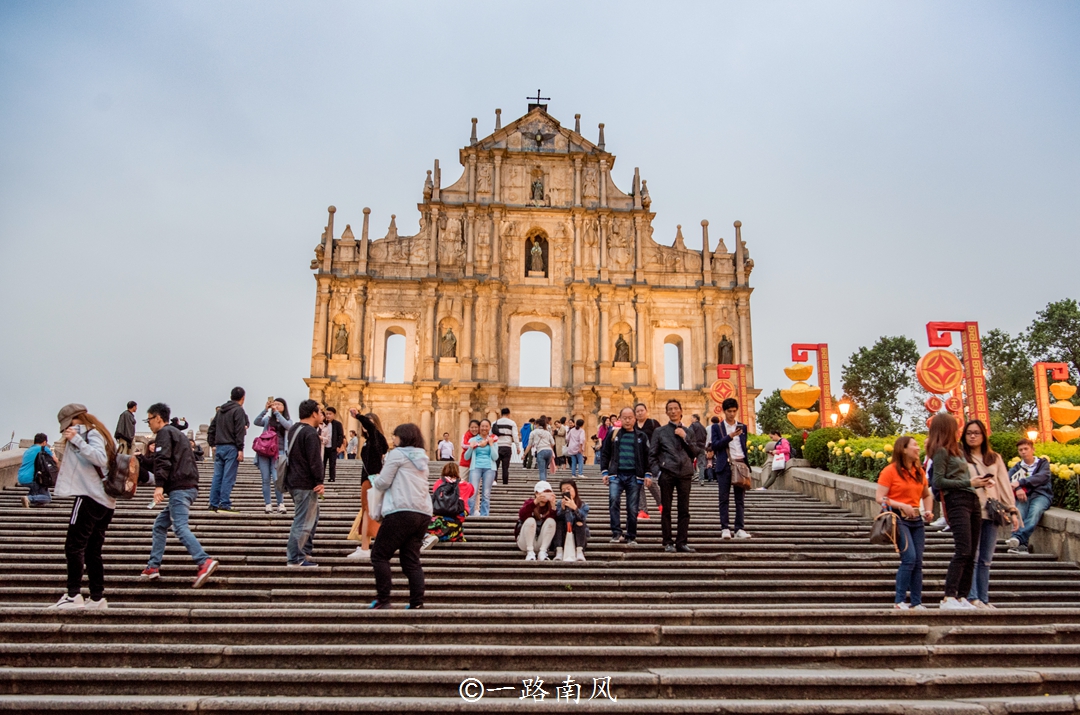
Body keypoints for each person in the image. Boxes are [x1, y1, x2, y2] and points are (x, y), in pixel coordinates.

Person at [139, 403, 219, 588]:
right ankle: (153, 566)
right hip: (187, 485)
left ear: (158, 418)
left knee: (180, 527)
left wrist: (159, 486)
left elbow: (163, 460)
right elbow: (166, 460)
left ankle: (203, 560)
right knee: (160, 525)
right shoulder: (178, 434)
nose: (149, 424)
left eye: (149, 419)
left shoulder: (164, 433)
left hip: (180, 488)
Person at [51, 404, 116, 609]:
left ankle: (73, 594)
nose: (66, 430)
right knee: (92, 550)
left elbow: (100, 459)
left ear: (75, 420)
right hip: (104, 501)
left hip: (89, 497)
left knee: (73, 546)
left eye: (67, 425)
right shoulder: (101, 433)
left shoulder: (89, 434)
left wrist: (76, 440)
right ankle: (96, 597)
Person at [929, 412, 993, 611]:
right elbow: (937, 481)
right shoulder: (941, 452)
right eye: (955, 426)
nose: (958, 430)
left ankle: (963, 595)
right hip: (956, 500)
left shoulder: (957, 451)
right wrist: (968, 482)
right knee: (963, 549)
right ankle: (949, 595)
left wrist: (978, 483)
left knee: (972, 552)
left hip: (972, 498)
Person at [368, 423, 433, 609]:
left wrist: (375, 479)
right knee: (411, 560)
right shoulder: (422, 457)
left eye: (394, 435)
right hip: (422, 513)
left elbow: (383, 482)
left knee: (379, 555)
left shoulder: (397, 454)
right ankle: (416, 603)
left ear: (402, 437)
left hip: (401, 509)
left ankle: (383, 599)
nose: (393, 439)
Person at [962, 419, 1020, 609]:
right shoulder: (961, 457)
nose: (972, 436)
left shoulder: (994, 458)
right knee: (973, 556)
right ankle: (972, 597)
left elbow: (1004, 483)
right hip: (971, 510)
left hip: (992, 510)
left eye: (976, 433)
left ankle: (984, 598)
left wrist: (1011, 509)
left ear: (983, 435)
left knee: (986, 558)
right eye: (969, 433)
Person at [875, 436, 934, 609]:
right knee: (909, 558)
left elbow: (926, 495)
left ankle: (916, 601)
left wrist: (928, 510)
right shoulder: (890, 471)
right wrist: (901, 505)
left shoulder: (919, 471)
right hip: (899, 519)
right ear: (903, 449)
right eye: (914, 445)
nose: (918, 448)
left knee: (918, 562)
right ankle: (899, 600)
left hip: (917, 520)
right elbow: (880, 497)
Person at [650, 399, 705, 553]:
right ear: (666, 412)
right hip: (667, 473)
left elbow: (695, 452)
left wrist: (685, 437)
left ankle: (682, 542)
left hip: (685, 473)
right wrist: (658, 472)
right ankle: (668, 541)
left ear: (681, 411)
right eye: (670, 409)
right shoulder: (659, 432)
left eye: (676, 408)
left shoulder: (689, 431)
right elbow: (652, 454)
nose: (673, 411)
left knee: (684, 510)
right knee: (666, 509)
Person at [599, 406, 651, 546]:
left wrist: (648, 473)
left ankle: (631, 536)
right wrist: (605, 471)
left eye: (630, 418)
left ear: (635, 419)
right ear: (620, 419)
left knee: (632, 507)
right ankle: (616, 533)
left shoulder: (641, 436)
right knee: (613, 501)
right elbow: (605, 453)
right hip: (616, 475)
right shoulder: (613, 434)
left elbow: (648, 456)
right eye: (625, 418)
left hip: (634, 476)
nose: (627, 421)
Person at [284, 399, 324, 567]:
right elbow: (314, 460)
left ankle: (305, 550)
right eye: (320, 412)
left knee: (312, 516)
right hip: (305, 482)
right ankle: (295, 558)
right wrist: (319, 481)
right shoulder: (310, 433)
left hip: (294, 480)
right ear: (313, 414)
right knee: (303, 521)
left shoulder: (294, 429)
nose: (322, 415)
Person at [345, 410, 389, 560]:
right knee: (367, 511)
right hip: (368, 479)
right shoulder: (371, 440)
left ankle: (365, 548)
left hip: (370, 480)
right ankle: (365, 545)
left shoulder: (376, 438)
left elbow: (371, 428)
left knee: (368, 511)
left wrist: (358, 416)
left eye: (369, 422)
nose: (365, 425)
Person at [712, 398, 752, 539]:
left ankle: (739, 528)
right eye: (729, 411)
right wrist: (729, 437)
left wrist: (747, 464)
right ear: (724, 411)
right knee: (724, 498)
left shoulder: (742, 427)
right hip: (725, 465)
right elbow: (715, 446)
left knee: (740, 499)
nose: (732, 414)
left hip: (740, 464)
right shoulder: (717, 427)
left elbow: (743, 446)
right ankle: (725, 528)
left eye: (734, 411)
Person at [207, 387, 248, 514]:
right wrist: (240, 448)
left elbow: (211, 429)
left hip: (219, 447)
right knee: (228, 476)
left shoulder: (220, 411)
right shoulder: (238, 410)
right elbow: (239, 430)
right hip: (231, 447)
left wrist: (212, 443)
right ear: (243, 398)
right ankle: (224, 503)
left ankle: (213, 503)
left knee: (217, 476)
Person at [1007, 438, 1052, 555]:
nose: (1023, 452)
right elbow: (1008, 480)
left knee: (1034, 512)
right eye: (1020, 450)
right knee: (1020, 513)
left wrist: (1020, 483)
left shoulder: (1043, 464)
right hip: (1024, 496)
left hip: (1041, 495)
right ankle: (1020, 547)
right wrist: (1018, 488)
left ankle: (1017, 539)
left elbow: (1042, 477)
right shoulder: (1017, 467)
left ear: (1033, 449)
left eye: (1026, 449)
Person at [423, 462, 475, 549]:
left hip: (441, 510)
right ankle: (456, 536)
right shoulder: (467, 485)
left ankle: (431, 536)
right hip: (459, 512)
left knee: (435, 523)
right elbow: (471, 493)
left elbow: (435, 495)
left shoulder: (439, 483)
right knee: (454, 524)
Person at [253, 398, 292, 514]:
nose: (277, 406)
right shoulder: (268, 420)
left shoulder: (288, 420)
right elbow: (256, 421)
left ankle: (280, 503)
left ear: (284, 407)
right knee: (265, 479)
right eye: (275, 404)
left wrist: (277, 413)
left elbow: (288, 426)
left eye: (279, 404)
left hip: (279, 452)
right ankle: (268, 504)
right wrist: (265, 410)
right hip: (264, 452)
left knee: (277, 479)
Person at [466, 419, 500, 517]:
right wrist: (471, 448)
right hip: (475, 467)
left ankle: (484, 515)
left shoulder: (493, 440)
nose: (484, 428)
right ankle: (470, 514)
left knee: (486, 493)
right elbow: (466, 457)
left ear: (489, 428)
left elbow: (495, 457)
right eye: (482, 426)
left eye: (486, 426)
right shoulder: (473, 440)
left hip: (489, 468)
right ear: (479, 427)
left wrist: (491, 445)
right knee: (473, 492)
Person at [516, 481, 558, 561]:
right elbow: (522, 515)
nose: (545, 495)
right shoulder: (529, 503)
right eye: (543, 492)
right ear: (536, 493)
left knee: (551, 521)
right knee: (530, 520)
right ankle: (530, 552)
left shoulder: (550, 507)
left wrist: (553, 506)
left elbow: (554, 522)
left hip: (541, 542)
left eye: (548, 492)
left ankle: (543, 552)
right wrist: (536, 501)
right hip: (525, 542)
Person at [634, 403, 663, 519]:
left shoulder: (653, 423)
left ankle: (661, 503)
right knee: (638, 483)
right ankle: (643, 510)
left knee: (651, 482)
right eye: (637, 411)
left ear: (646, 411)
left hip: (651, 457)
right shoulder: (633, 425)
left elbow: (661, 439)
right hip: (636, 458)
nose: (640, 413)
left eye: (642, 410)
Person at [554, 478, 589, 561]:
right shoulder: (559, 503)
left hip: (577, 534)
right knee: (558, 522)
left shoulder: (583, 505)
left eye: (568, 489)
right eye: (563, 490)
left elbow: (582, 518)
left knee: (579, 522)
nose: (566, 491)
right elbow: (557, 517)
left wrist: (575, 508)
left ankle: (580, 551)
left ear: (575, 489)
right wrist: (562, 509)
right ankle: (559, 551)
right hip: (563, 533)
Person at [19, 433, 54, 507]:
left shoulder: (27, 451)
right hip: (32, 478)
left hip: (21, 477)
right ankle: (29, 498)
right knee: (47, 498)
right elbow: (55, 460)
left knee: (35, 491)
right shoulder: (43, 448)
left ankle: (28, 499)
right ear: (44, 442)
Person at [493, 408, 520, 486]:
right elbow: (515, 435)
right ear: (508, 414)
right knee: (505, 467)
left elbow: (491, 434)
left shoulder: (495, 422)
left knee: (495, 466)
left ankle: (494, 481)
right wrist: (517, 447)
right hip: (507, 446)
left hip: (496, 446)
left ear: (501, 414)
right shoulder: (512, 423)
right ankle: (505, 483)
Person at [526, 416, 556, 481]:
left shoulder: (533, 432)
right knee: (544, 469)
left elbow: (529, 445)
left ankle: (543, 484)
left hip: (541, 451)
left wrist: (524, 454)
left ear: (537, 424)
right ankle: (545, 482)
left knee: (541, 471)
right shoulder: (547, 432)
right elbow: (553, 443)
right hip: (549, 451)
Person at [322, 406, 344, 482]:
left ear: (334, 415)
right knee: (323, 463)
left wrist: (338, 445)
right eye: (327, 414)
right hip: (324, 447)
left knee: (332, 463)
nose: (328, 415)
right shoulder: (323, 423)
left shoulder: (338, 424)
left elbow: (340, 435)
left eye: (330, 414)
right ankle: (321, 477)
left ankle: (332, 477)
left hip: (333, 447)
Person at [689, 414, 709, 486]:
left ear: (695, 418)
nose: (691, 420)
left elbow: (689, 434)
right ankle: (701, 479)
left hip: (694, 446)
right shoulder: (703, 427)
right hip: (702, 447)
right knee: (701, 464)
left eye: (692, 418)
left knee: (689, 460)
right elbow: (705, 436)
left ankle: (694, 474)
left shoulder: (693, 426)